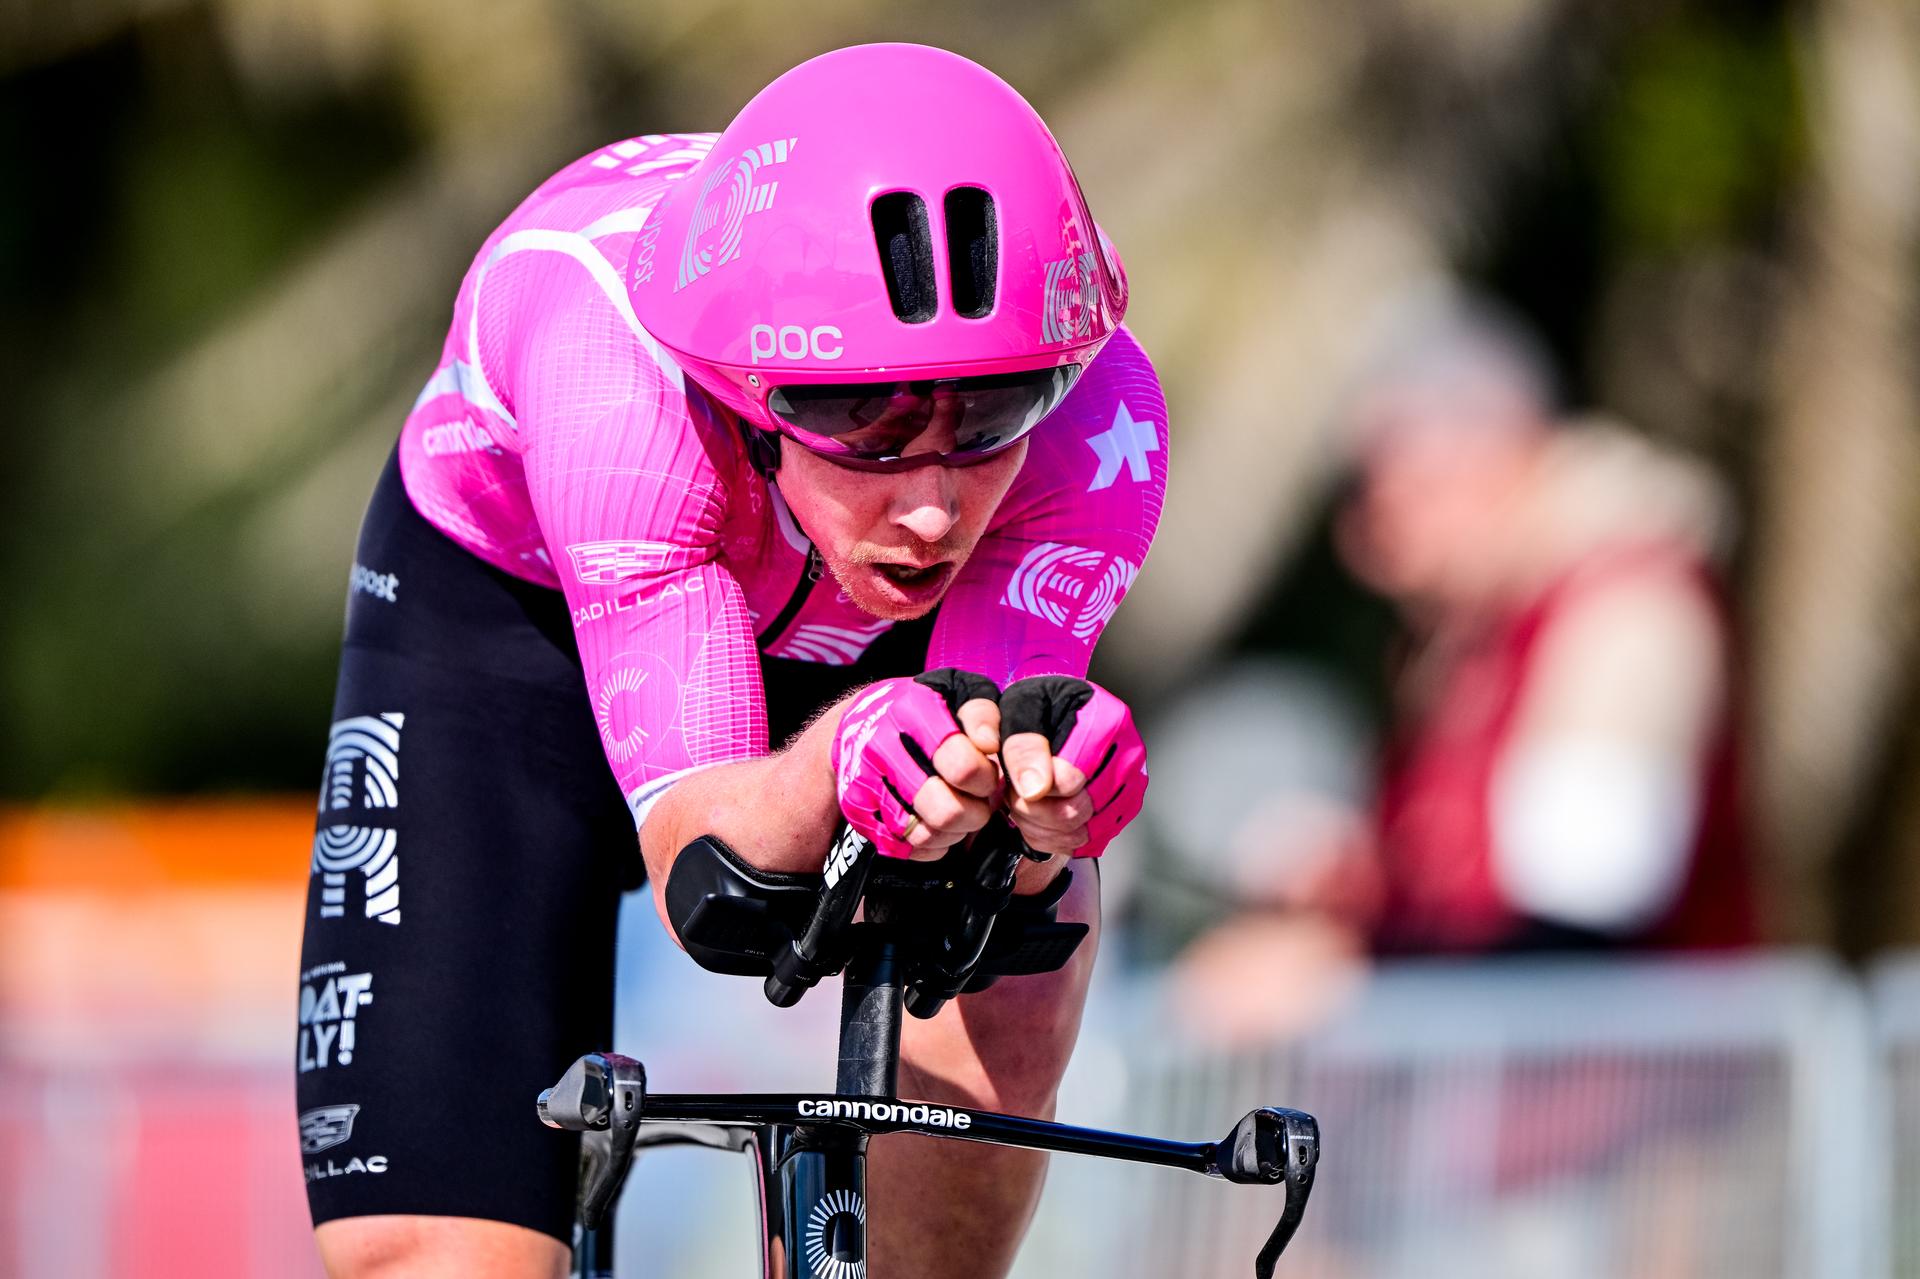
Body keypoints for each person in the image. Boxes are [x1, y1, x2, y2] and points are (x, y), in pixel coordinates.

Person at [296, 44, 1166, 1279]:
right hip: (511, 626)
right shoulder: (617, 380)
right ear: (750, 395)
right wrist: (840, 762)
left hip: (827, 623)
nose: (931, 506)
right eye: (867, 420)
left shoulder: (1097, 418)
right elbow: (711, 884)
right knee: (443, 1257)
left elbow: (990, 852)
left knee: (1023, 938)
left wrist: (1042, 814)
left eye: (988, 413)